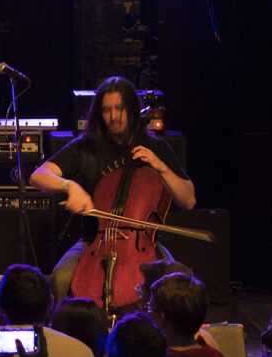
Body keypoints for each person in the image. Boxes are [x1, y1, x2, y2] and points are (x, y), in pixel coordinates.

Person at [29, 76, 195, 304]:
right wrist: (70, 186)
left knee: (176, 283)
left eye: (119, 108)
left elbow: (188, 200)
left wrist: (161, 167)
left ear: (131, 109)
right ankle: (69, 338)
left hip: (146, 244)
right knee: (60, 278)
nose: (114, 116)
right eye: (107, 110)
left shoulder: (155, 147)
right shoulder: (85, 147)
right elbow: (38, 175)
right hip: (94, 241)